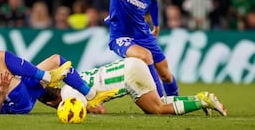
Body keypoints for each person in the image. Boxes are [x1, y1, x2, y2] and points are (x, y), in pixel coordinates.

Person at [40, 57, 227, 116]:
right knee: (158, 103)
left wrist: (86, 109)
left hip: (129, 75)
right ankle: (199, 98)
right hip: (128, 65)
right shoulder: (70, 83)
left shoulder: (69, 95)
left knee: (157, 110)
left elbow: (100, 110)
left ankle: (203, 101)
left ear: (50, 104)